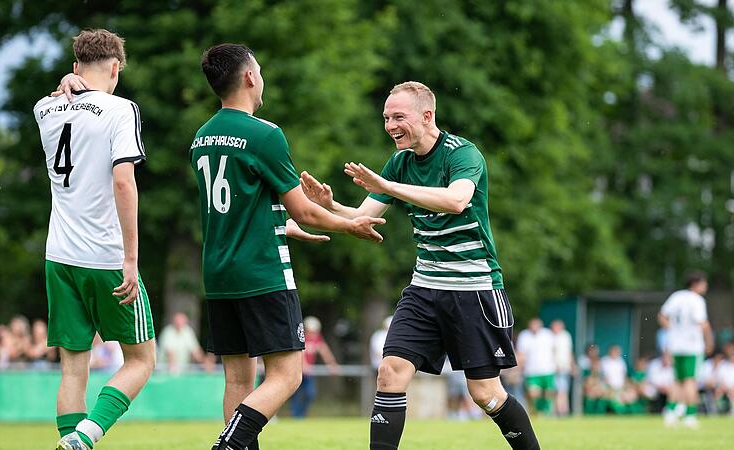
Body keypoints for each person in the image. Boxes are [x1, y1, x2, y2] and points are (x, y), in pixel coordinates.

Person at [301, 81, 539, 449]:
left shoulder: (462, 154)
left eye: (399, 117)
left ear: (427, 116)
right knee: (390, 373)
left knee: (485, 394)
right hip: (425, 288)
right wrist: (329, 205)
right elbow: (365, 216)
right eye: (385, 117)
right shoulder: (400, 163)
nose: (390, 125)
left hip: (473, 288)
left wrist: (390, 186)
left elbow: (457, 200)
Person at [191, 43, 385, 450]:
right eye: (258, 69)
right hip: (262, 271)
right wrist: (352, 225)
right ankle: (227, 446)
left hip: (219, 272)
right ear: (248, 77)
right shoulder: (265, 135)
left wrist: (283, 226)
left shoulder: (202, 137)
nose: (261, 77)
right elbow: (307, 211)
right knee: (287, 375)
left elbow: (235, 210)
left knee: (239, 379)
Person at [36, 29, 156, 450]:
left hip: (58, 255)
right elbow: (124, 182)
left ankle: (69, 442)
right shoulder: (121, 109)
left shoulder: (44, 109)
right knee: (142, 360)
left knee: (73, 370)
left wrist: (64, 85)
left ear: (74, 69)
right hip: (104, 255)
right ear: (116, 67)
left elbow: (62, 99)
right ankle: (85, 438)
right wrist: (131, 258)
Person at [659, 270, 713, 428]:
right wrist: (709, 341)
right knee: (691, 381)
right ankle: (690, 415)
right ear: (696, 284)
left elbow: (661, 316)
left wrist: (674, 330)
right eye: (704, 283)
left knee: (677, 380)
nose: (706, 286)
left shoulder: (676, 296)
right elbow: (703, 323)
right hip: (692, 346)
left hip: (676, 345)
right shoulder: (697, 300)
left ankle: (670, 412)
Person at [290, 316, 340, 418]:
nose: (313, 334)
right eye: (311, 331)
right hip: (297, 371)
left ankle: (302, 415)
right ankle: (296, 415)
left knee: (310, 394)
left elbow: (324, 350)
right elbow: (300, 353)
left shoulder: (317, 338)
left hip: (308, 373)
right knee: (295, 394)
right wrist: (304, 365)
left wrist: (331, 364)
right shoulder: (301, 337)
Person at [516, 318, 557, 415]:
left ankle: (547, 412)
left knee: (548, 393)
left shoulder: (547, 335)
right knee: (533, 393)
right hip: (531, 371)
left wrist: (556, 363)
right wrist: (519, 367)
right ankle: (535, 411)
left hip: (547, 369)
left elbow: (554, 350)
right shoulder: (524, 336)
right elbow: (521, 353)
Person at [550, 319, 573, 416]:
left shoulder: (566, 336)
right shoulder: (550, 337)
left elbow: (569, 352)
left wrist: (572, 365)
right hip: (554, 369)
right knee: (556, 391)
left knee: (563, 391)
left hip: (565, 368)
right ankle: (558, 412)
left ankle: (563, 411)